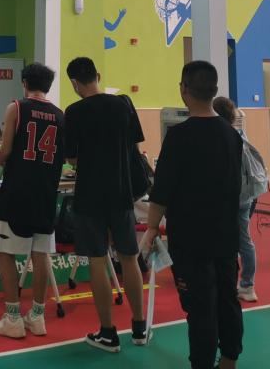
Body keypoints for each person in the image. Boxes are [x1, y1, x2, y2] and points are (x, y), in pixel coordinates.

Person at [143, 61, 243, 369]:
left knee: (200, 310)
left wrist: (151, 229)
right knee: (227, 300)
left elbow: (162, 191)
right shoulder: (231, 134)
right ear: (214, 90)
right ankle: (229, 359)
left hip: (190, 240)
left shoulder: (179, 137)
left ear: (184, 89)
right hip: (226, 235)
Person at [64, 57, 148, 351]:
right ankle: (140, 327)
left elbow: (72, 158)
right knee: (129, 258)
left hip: (90, 196)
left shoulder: (74, 112)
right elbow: (135, 145)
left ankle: (108, 333)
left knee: (97, 260)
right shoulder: (123, 104)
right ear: (97, 75)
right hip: (121, 192)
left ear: (74, 83)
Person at [0, 63, 64, 340]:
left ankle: (12, 318)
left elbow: (5, 152)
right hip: (46, 193)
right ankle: (38, 316)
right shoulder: (60, 115)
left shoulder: (17, 108)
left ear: (24, 83)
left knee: (5, 252)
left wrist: (0, 156)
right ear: (48, 86)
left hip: (18, 191)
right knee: (41, 254)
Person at [213, 97, 257, 303]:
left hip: (229, 196)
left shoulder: (220, 137)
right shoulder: (240, 134)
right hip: (246, 195)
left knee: (226, 240)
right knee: (244, 240)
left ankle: (231, 283)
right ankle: (247, 284)